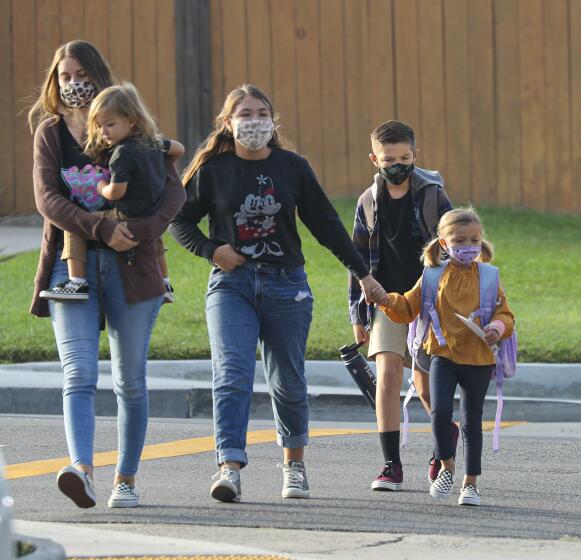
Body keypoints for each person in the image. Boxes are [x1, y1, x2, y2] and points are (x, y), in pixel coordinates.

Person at [170, 84, 387, 503]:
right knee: (231, 375)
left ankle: (294, 466)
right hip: (231, 285)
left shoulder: (293, 167)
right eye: (245, 115)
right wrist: (212, 250)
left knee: (287, 381)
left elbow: (325, 224)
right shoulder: (213, 169)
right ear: (228, 123)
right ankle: (229, 467)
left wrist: (364, 275)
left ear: (273, 120)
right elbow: (179, 220)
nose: (254, 122)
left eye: (261, 113)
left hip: (286, 284)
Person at [28, 40, 186, 509]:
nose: (74, 84)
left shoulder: (131, 129)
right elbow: (47, 200)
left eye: (81, 74)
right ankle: (81, 469)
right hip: (70, 263)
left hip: (132, 265)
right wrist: (100, 228)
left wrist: (134, 232)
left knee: (129, 379)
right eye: (64, 76)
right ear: (55, 84)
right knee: (77, 373)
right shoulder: (50, 135)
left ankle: (126, 479)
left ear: (99, 75)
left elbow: (173, 194)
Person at [378, 208, 515, 506]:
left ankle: (471, 483)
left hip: (479, 359)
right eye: (460, 240)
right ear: (444, 243)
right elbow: (408, 307)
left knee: (472, 421)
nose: (468, 246)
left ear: (481, 241)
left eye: (474, 240)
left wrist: (496, 327)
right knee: (439, 412)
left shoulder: (490, 276)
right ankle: (447, 467)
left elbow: (506, 314)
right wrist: (385, 299)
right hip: (442, 354)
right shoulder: (433, 275)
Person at [349, 120, 453, 491]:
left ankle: (445, 444)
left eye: (404, 158)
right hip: (387, 300)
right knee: (389, 373)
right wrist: (357, 314)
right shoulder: (367, 202)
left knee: (425, 388)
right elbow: (357, 258)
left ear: (415, 155)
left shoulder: (432, 195)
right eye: (388, 159)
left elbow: (456, 243)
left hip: (429, 300)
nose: (397, 166)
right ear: (374, 159)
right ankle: (391, 464)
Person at [39, 83, 184, 303]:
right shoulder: (151, 142)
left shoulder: (121, 154)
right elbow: (179, 149)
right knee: (155, 240)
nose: (103, 132)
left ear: (132, 121)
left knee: (75, 224)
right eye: (98, 126)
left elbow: (116, 193)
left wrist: (100, 187)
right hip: (150, 211)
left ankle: (76, 282)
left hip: (127, 214)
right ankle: (163, 283)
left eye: (110, 124)